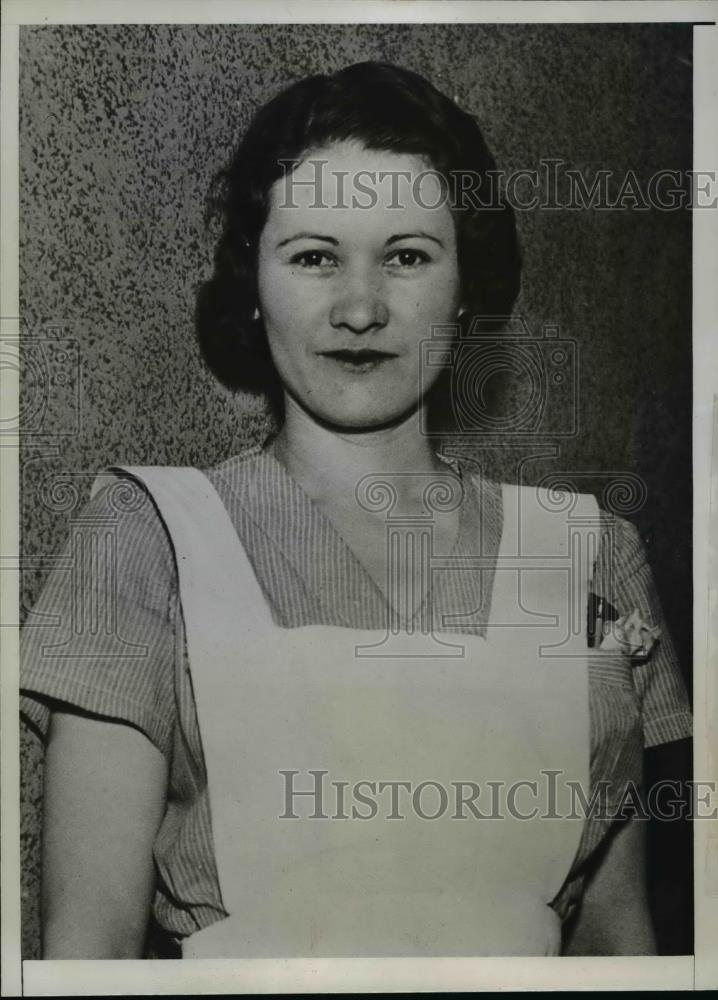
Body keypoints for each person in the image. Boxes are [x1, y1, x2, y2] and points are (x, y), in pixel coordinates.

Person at [20, 61, 692, 959]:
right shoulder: (146, 536)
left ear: (466, 285)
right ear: (254, 285)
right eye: (313, 257)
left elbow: (619, 941)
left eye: (408, 256)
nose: (361, 307)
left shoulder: (587, 552)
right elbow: (87, 949)